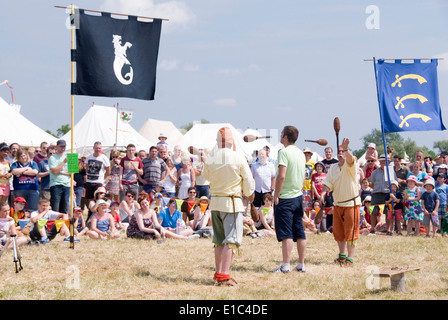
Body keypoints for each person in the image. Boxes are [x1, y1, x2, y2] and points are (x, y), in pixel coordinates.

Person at [202, 126, 255, 286]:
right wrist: (248, 193)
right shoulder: (238, 157)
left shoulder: (212, 158)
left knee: (218, 241)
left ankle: (219, 273)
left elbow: (205, 175)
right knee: (231, 241)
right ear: (232, 142)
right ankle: (224, 275)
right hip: (231, 204)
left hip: (216, 203)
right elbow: (249, 182)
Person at [271, 125, 306, 273]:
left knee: (286, 234)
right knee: (300, 232)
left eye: (281, 133)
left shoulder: (284, 152)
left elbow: (282, 175)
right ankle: (301, 264)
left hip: (285, 197)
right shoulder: (301, 153)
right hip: (298, 196)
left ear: (285, 136)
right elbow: (304, 176)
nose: (280, 136)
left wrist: (276, 194)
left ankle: (285, 266)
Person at [321, 138, 361, 267]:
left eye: (342, 151)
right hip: (338, 203)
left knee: (351, 232)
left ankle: (350, 259)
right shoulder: (332, 167)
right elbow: (328, 183)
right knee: (339, 233)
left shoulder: (351, 165)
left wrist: (346, 149)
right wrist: (322, 193)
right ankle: (342, 256)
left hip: (351, 204)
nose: (340, 153)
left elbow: (350, 159)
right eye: (338, 151)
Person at [369, 154, 396, 232]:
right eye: (382, 161)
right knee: (373, 211)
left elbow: (394, 182)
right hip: (376, 193)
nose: (383, 162)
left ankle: (388, 229)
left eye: (385, 161)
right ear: (380, 162)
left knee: (387, 212)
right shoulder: (375, 172)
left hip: (387, 193)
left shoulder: (390, 171)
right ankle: (372, 228)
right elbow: (371, 183)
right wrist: (375, 188)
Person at [11, 148, 39, 212]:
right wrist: (27, 168)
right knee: (20, 209)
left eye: (24, 155)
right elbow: (14, 172)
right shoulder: (15, 164)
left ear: (27, 155)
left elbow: (35, 172)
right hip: (19, 189)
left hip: (32, 188)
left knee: (33, 209)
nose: (23, 157)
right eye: (21, 156)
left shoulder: (33, 163)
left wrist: (21, 172)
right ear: (18, 157)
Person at [48, 139, 71, 213]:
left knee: (65, 207)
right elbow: (54, 171)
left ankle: (63, 223)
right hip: (56, 184)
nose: (63, 148)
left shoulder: (69, 157)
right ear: (56, 147)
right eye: (61, 146)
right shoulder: (52, 158)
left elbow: (72, 173)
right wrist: (64, 162)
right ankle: (54, 223)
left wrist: (60, 171)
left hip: (67, 184)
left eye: (64, 146)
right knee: (55, 206)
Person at [302, 147, 315, 213]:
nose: (307, 154)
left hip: (309, 187)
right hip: (301, 187)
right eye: (305, 153)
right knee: (301, 207)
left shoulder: (313, 163)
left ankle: (308, 222)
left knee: (307, 208)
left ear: (310, 154)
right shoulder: (300, 161)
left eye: (308, 153)